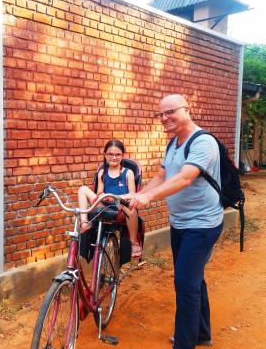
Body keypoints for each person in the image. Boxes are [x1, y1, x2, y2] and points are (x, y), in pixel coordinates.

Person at [122, 94, 223, 349]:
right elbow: (164, 175)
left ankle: (185, 343)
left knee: (185, 283)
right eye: (161, 114)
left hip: (202, 224)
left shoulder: (204, 142)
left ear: (187, 110)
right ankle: (201, 333)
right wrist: (139, 194)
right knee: (193, 278)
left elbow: (185, 178)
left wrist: (150, 198)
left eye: (170, 112)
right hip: (181, 223)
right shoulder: (173, 144)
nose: (164, 118)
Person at [78, 139, 141, 257]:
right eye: (110, 154)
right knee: (82, 189)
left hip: (121, 206)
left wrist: (115, 197)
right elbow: (99, 192)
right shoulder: (102, 172)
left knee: (132, 210)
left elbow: (132, 194)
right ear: (105, 155)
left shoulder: (128, 173)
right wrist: (103, 197)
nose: (114, 157)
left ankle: (133, 242)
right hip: (105, 204)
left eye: (118, 154)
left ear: (122, 156)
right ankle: (84, 223)